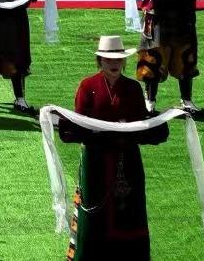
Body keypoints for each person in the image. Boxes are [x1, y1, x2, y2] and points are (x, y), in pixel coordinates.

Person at [56, 36, 169, 257]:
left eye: (118, 59)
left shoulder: (133, 88)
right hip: (96, 162)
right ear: (100, 61)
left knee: (129, 211)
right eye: (108, 59)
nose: (114, 63)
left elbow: (141, 121)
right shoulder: (87, 86)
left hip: (127, 162)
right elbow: (80, 122)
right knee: (95, 213)